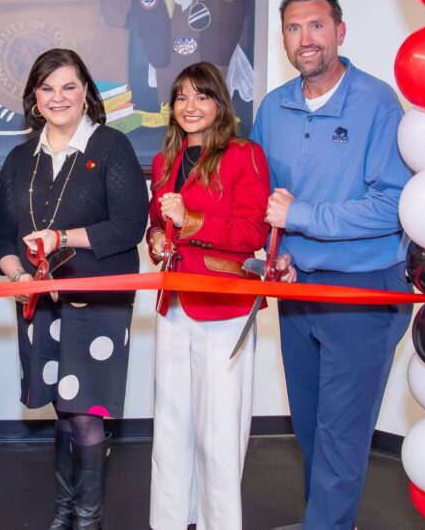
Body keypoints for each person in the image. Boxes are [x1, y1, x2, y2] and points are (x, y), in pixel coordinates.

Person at [249, 0, 413, 530]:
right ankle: (325, 522)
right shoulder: (274, 108)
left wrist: (302, 219)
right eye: (294, 29)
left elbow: (392, 206)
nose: (306, 39)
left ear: (340, 32)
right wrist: (275, 251)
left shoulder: (376, 102)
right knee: (311, 425)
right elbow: (262, 198)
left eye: (317, 26)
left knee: (342, 433)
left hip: (362, 290)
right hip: (298, 289)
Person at [0, 48, 147, 530]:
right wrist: (17, 274)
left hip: (97, 301)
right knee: (62, 407)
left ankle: (88, 516)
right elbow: (1, 233)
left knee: (86, 411)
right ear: (34, 99)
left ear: (86, 95)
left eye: (68, 87)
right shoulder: (20, 158)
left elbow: (129, 225)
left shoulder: (111, 146)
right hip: (40, 302)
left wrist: (63, 238)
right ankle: (65, 508)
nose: (57, 97)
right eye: (46, 88)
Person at [146, 62, 270, 530]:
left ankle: (219, 523)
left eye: (201, 96)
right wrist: (157, 238)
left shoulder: (245, 155)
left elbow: (251, 232)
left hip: (224, 306)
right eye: (180, 98)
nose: (189, 107)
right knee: (172, 422)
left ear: (220, 103)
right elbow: (157, 224)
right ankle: (170, 521)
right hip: (173, 303)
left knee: (218, 430)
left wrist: (192, 220)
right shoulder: (165, 162)